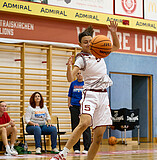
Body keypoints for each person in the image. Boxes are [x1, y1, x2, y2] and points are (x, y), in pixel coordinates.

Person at [50, 20, 120, 160]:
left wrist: (113, 32)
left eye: (90, 41)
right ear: (80, 45)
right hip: (90, 94)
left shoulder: (100, 51)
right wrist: (69, 67)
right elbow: (70, 78)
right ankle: (62, 154)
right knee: (84, 123)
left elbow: (117, 46)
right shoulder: (81, 59)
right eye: (85, 42)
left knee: (99, 137)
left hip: (103, 96)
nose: (88, 44)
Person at [68, 70, 91, 154]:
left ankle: (86, 148)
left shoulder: (86, 84)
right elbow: (69, 95)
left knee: (86, 127)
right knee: (75, 127)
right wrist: (69, 104)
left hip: (84, 107)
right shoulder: (73, 84)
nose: (79, 75)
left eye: (80, 73)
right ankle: (76, 148)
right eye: (77, 73)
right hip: (74, 106)